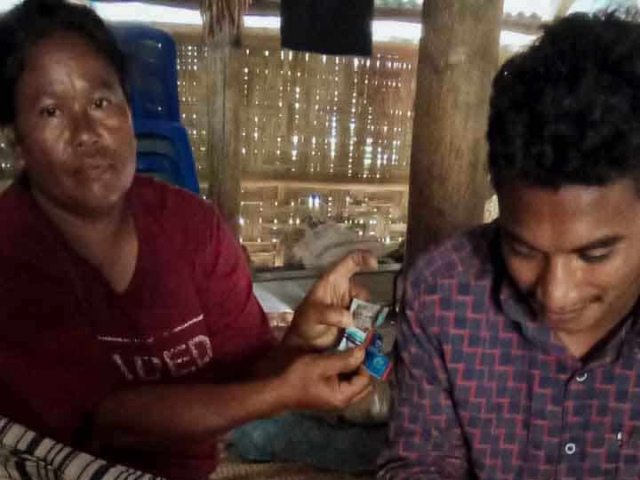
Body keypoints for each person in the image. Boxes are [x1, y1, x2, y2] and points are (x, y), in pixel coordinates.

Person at [0, 1, 375, 479]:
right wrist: (282, 391)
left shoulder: (192, 229)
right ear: (18, 144)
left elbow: (240, 383)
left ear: (128, 110)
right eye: (51, 111)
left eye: (101, 102)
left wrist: (299, 338)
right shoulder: (12, 250)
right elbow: (107, 421)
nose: (87, 133)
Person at [378, 10, 640, 480]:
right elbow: (420, 462)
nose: (556, 293)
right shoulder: (445, 294)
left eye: (595, 254)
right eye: (523, 249)